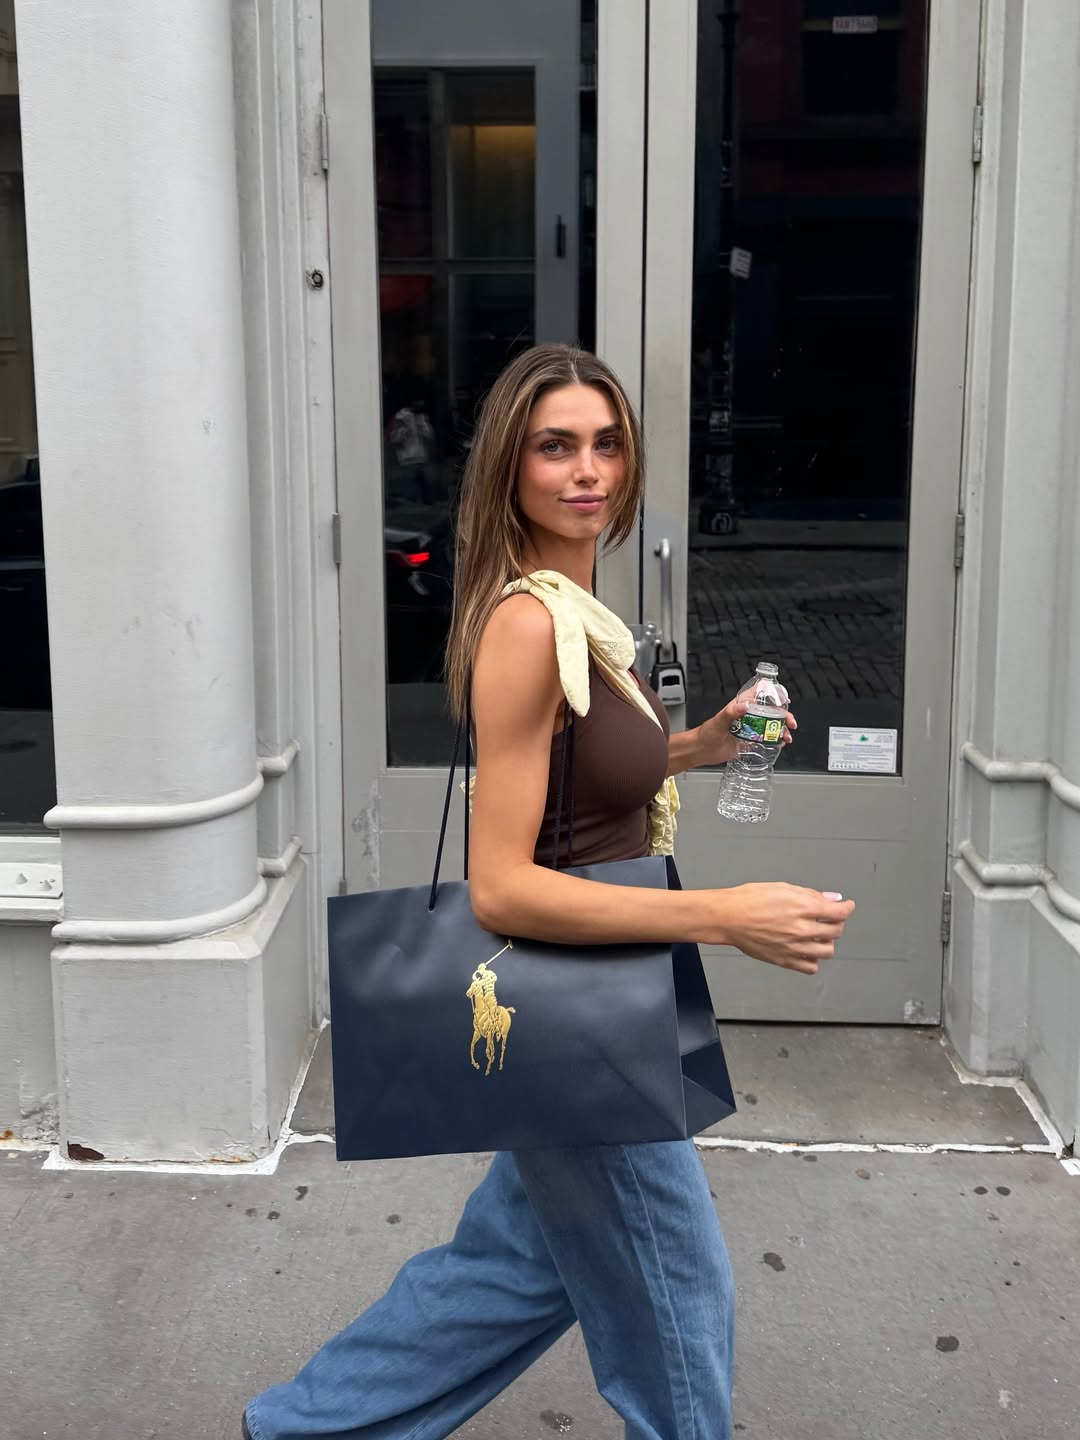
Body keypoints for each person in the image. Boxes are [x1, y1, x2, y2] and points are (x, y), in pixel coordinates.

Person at [243, 344, 854, 1440]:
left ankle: (303, 1428)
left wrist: (700, 745)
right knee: (678, 1298)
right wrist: (726, 915)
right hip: (580, 1011)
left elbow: (579, 781)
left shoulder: (577, 610)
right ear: (510, 467)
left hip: (603, 993)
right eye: (556, 447)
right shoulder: (529, 626)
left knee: (509, 1271)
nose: (589, 471)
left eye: (607, 443)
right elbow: (505, 888)